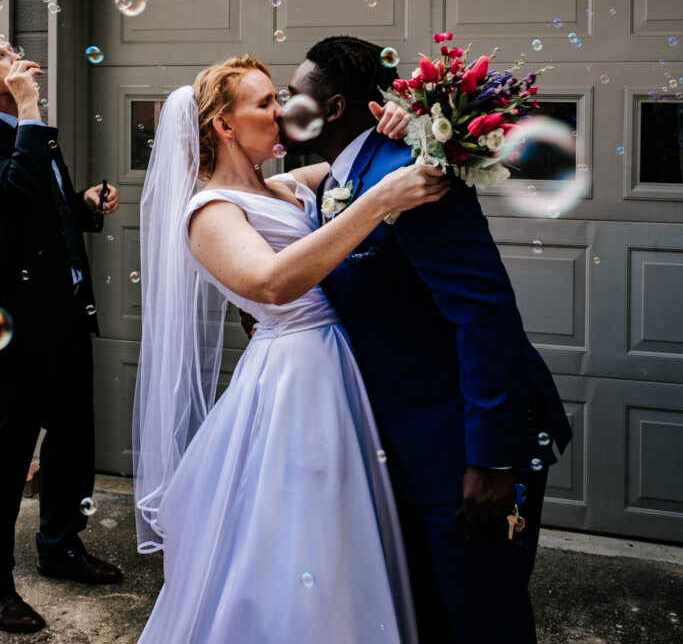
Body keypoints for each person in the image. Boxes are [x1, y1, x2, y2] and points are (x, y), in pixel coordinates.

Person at [133, 54, 447, 644]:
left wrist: (403, 125)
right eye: (264, 104)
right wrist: (378, 201)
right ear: (224, 125)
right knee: (306, 533)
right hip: (296, 381)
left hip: (341, 364)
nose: (281, 112)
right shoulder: (210, 212)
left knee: (345, 533)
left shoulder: (285, 185)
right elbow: (272, 281)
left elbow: (352, 159)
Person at [286, 35, 573, 644]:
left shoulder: (412, 178)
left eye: (292, 96)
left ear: (334, 108)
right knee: (429, 617)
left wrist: (491, 460)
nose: (284, 109)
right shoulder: (340, 180)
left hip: (461, 449)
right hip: (401, 448)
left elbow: (485, 316)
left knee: (482, 618)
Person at [0, 42, 122, 635]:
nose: (17, 57)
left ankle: (60, 547)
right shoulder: (24, 126)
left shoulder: (31, 131)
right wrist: (27, 107)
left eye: (14, 48)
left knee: (73, 438)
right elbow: (8, 201)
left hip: (66, 311)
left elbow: (38, 208)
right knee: (6, 457)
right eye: (1, 54)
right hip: (14, 329)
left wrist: (81, 206)